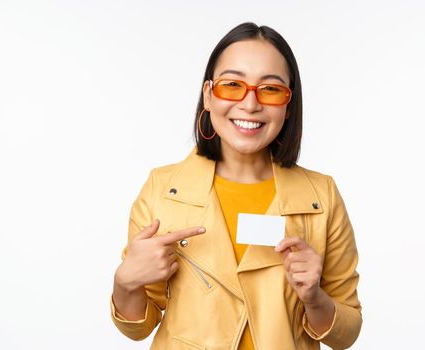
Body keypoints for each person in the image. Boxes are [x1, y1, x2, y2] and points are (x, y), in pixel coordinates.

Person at [109, 22, 362, 350]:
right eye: (232, 85)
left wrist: (315, 299)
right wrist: (125, 283)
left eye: (270, 89)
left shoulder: (321, 196)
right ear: (208, 96)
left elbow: (348, 332)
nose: (250, 103)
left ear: (288, 106)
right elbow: (138, 329)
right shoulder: (162, 189)